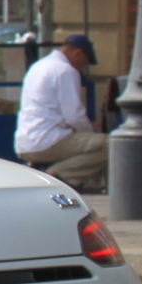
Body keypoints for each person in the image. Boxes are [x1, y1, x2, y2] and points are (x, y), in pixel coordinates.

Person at [15, 33, 106, 191]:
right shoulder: (66, 70)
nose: (82, 68)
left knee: (88, 142)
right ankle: (58, 174)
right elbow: (74, 115)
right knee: (111, 145)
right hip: (48, 141)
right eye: (83, 64)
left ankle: (37, 167)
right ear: (78, 53)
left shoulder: (39, 65)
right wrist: (92, 133)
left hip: (24, 143)